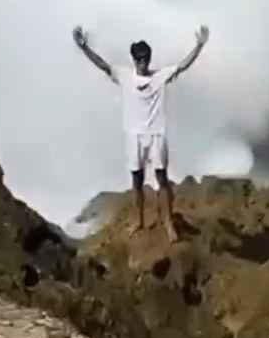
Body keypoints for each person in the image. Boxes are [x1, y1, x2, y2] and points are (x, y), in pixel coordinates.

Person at [73, 24, 209, 241]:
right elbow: (103, 65)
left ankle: (167, 221)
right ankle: (139, 220)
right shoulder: (124, 75)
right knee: (136, 179)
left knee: (162, 178)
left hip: (156, 134)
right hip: (134, 135)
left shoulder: (159, 76)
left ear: (149, 59)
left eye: (145, 58)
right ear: (133, 59)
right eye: (139, 59)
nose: (142, 63)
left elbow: (183, 66)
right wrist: (84, 48)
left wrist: (199, 46)